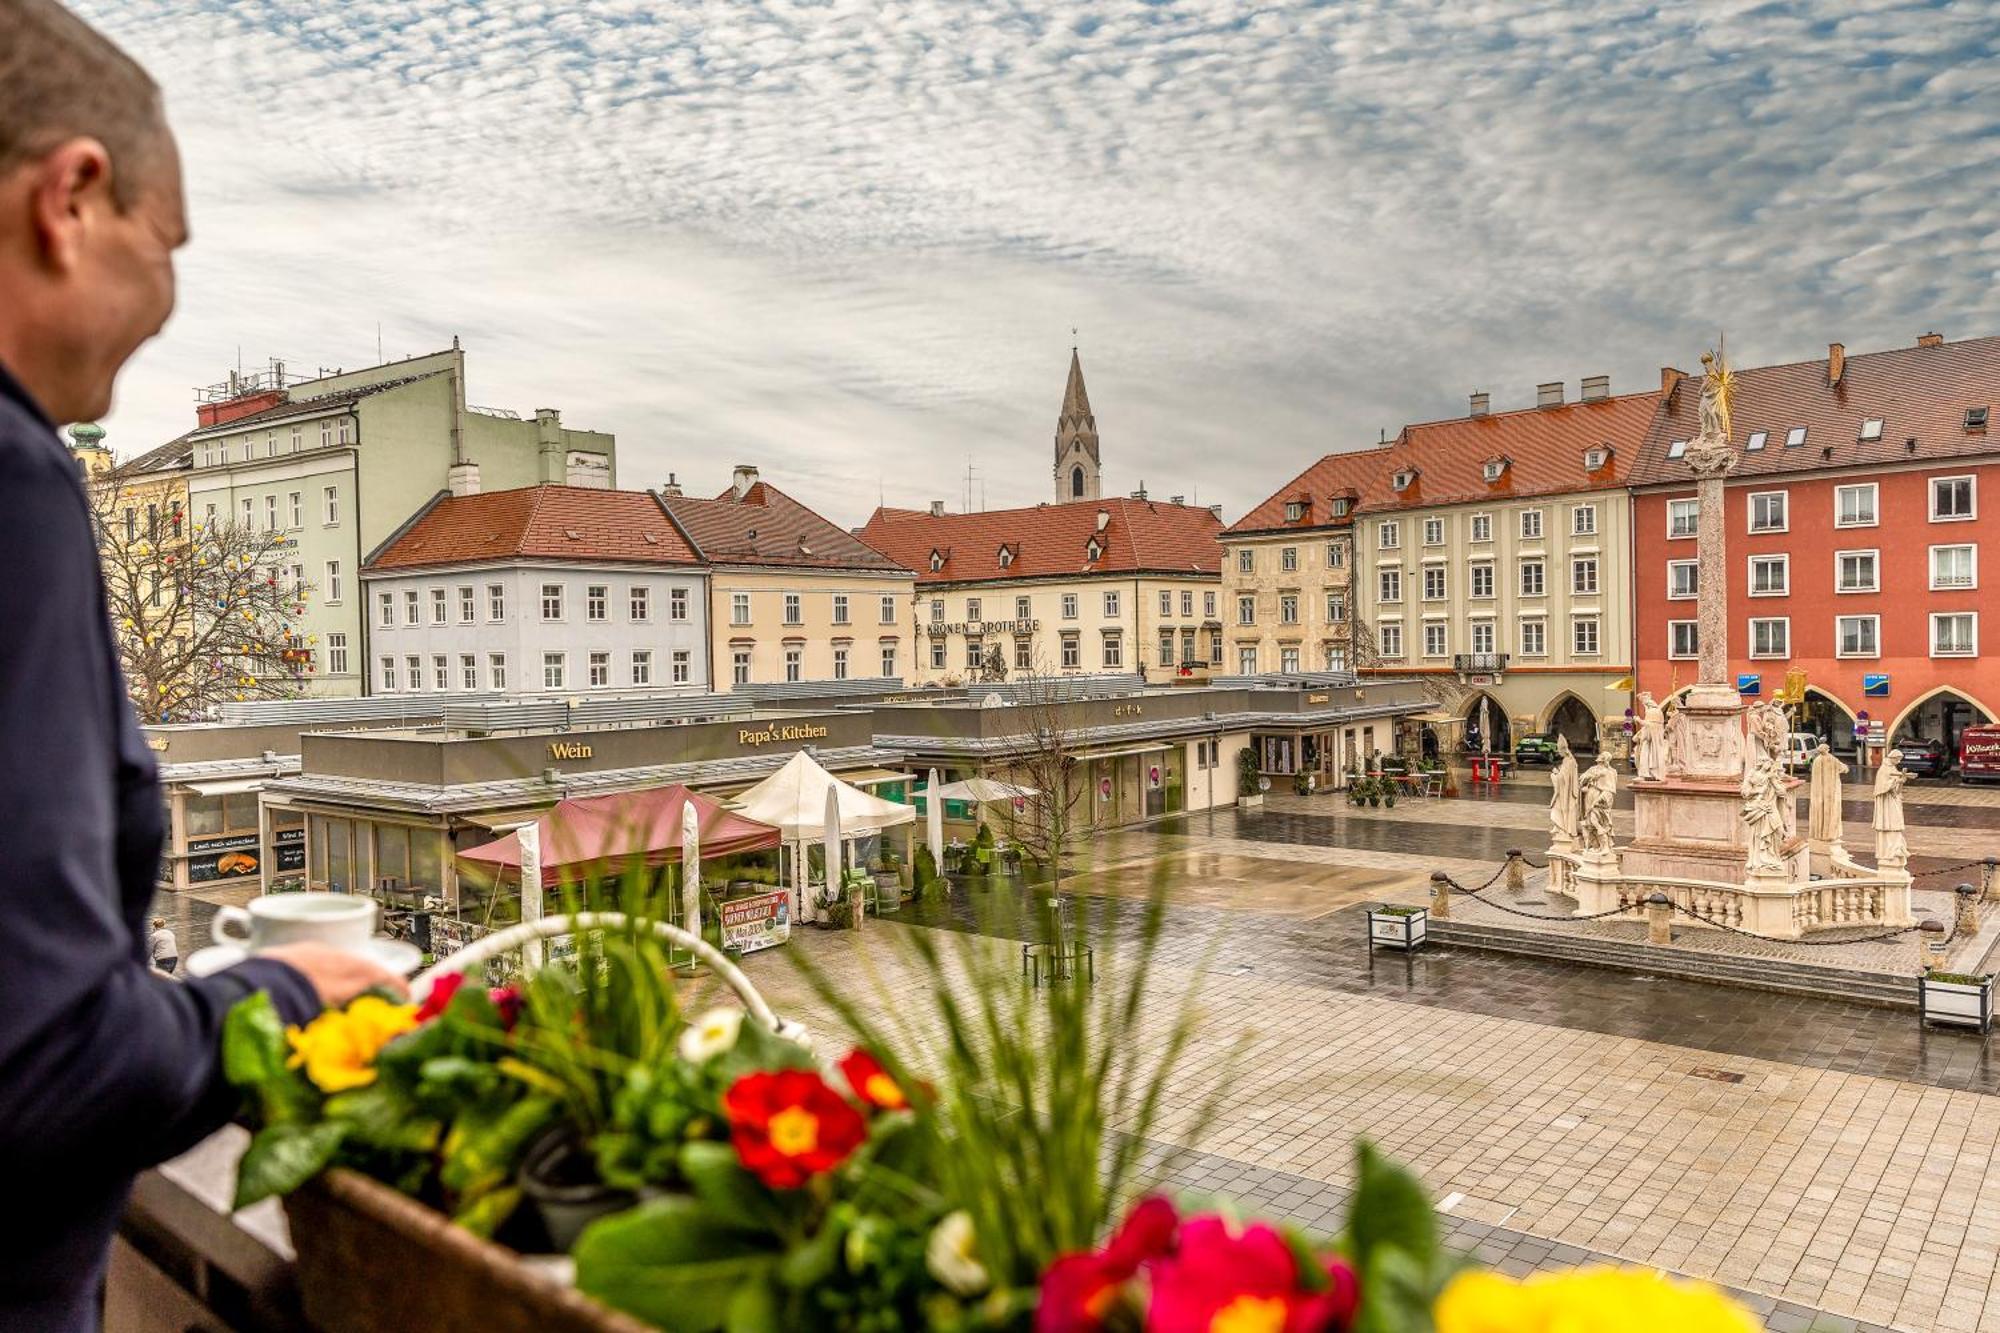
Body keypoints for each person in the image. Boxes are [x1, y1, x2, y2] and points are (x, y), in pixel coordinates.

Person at [0, 5, 402, 1327]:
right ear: (72, 198)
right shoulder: (15, 481)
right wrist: (290, 994)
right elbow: (45, 1063)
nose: (167, 306)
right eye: (166, 248)